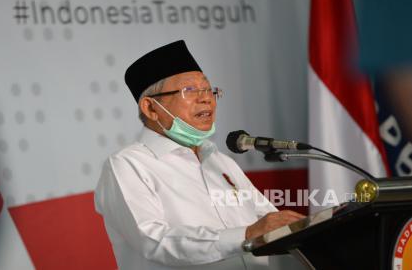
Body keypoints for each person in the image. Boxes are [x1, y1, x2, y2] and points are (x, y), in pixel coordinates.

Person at [94, 40, 304, 269]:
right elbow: (154, 240)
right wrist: (247, 233)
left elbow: (271, 224)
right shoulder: (128, 165)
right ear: (151, 108)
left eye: (209, 90)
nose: (206, 99)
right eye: (190, 91)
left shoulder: (221, 162)